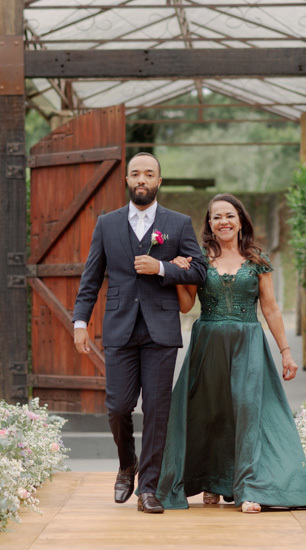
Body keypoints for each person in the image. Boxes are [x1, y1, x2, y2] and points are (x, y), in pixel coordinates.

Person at [155, 193, 306, 513]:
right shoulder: (199, 259)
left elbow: (271, 309)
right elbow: (187, 306)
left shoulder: (258, 260)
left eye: (229, 215)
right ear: (209, 225)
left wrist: (286, 352)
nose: (223, 222)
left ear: (241, 220)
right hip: (208, 343)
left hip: (249, 344)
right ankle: (212, 482)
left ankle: (247, 488)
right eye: (216, 217)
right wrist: (178, 275)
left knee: (246, 410)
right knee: (211, 412)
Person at [72, 152, 206, 514]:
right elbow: (91, 279)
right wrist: (80, 322)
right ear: (128, 181)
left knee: (157, 411)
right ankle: (126, 463)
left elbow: (200, 272)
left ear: (159, 182)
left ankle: (148, 488)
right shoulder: (107, 224)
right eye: (136, 174)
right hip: (118, 328)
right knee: (117, 408)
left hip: (161, 330)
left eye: (149, 174)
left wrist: (162, 267)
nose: (142, 179)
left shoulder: (177, 224)